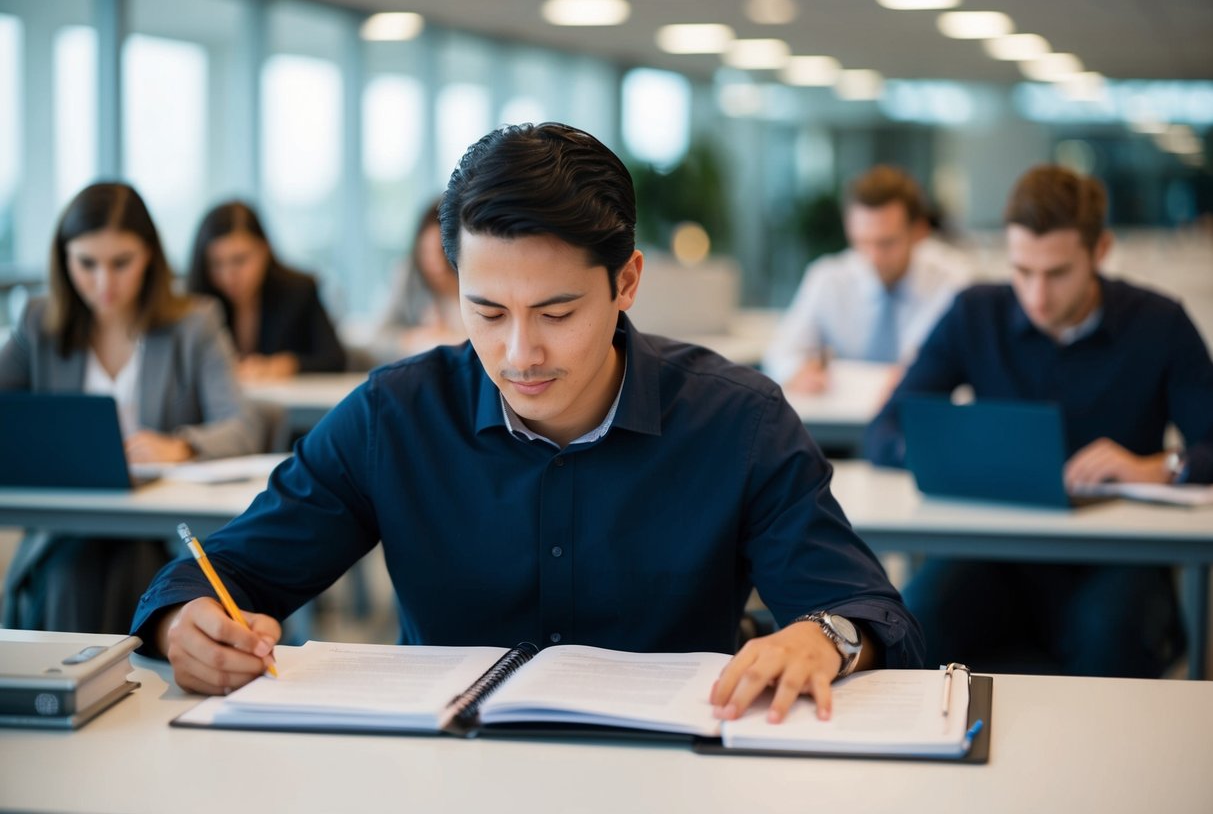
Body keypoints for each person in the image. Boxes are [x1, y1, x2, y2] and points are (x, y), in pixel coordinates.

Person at [133, 123, 923, 722]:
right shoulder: (395, 416)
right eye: (486, 311)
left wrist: (826, 636)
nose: (519, 354)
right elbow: (217, 572)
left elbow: (866, 612)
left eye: (556, 311)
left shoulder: (736, 421)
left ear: (626, 282)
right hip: (444, 775)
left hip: (678, 772)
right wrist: (183, 624)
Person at [865, 164, 1213, 678]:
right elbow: (884, 429)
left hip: (1116, 555)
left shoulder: (1160, 323)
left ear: (1100, 251)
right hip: (995, 551)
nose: (1036, 296)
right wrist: (950, 456)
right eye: (1022, 271)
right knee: (915, 618)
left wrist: (1160, 466)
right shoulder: (975, 312)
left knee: (1109, 632)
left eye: (1057, 273)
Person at [0, 182, 264, 633]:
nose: (104, 282)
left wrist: (181, 446)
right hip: (66, 528)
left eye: (121, 263)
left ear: (149, 257)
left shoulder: (194, 322)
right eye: (87, 264)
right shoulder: (38, 323)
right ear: (64, 260)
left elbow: (244, 425)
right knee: (70, 575)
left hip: (161, 532)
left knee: (135, 574)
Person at [764, 165, 971, 393]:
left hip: (920, 418)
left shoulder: (953, 283)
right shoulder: (828, 278)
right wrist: (797, 372)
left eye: (886, 243)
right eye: (862, 241)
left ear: (918, 232)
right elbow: (781, 354)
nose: (873, 257)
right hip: (843, 418)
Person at [187, 201, 346, 379]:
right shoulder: (197, 303)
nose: (228, 276)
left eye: (239, 260)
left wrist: (286, 365)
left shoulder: (300, 291)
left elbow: (335, 360)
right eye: (216, 264)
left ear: (264, 251)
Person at [372, 198, 466, 362]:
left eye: (442, 252)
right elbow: (379, 339)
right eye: (426, 252)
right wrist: (412, 339)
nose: (436, 265)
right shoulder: (409, 277)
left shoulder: (476, 279)